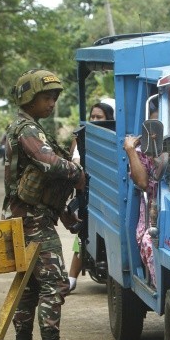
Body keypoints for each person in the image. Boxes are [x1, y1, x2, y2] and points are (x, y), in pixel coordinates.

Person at [1, 69, 92, 340]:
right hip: (33, 222)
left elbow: (39, 182)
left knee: (30, 289)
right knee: (54, 285)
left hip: (27, 218)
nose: (52, 102)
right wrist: (78, 172)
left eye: (54, 97)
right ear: (29, 98)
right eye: (46, 96)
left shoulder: (27, 128)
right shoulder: (27, 129)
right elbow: (49, 163)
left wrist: (65, 214)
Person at [67, 102, 114, 291]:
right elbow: (76, 162)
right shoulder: (82, 137)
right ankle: (71, 278)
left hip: (106, 194)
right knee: (81, 235)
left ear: (109, 119)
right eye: (92, 116)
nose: (94, 120)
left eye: (99, 117)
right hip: (87, 194)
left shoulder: (112, 138)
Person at [122, 104, 161, 286]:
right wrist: (131, 150)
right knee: (150, 243)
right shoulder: (141, 153)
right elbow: (143, 183)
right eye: (154, 127)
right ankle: (161, 286)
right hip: (154, 219)